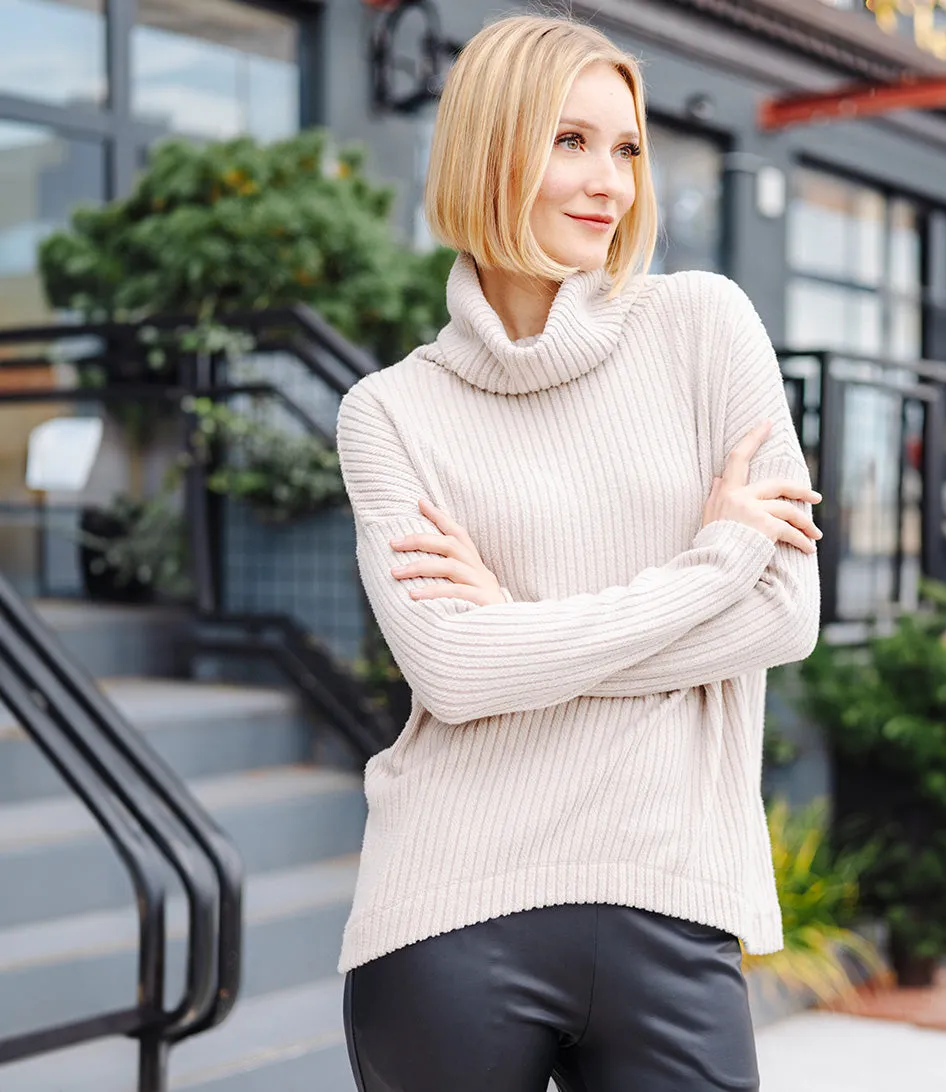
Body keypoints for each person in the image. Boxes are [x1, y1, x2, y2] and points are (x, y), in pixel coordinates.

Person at [336, 13, 822, 1092]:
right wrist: (713, 562)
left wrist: (517, 628)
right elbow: (454, 673)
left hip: (671, 899)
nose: (611, 181)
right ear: (489, 150)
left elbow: (788, 612)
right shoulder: (390, 411)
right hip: (447, 914)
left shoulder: (705, 327)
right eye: (570, 142)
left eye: (628, 147)